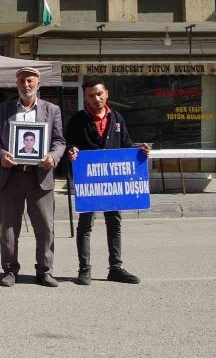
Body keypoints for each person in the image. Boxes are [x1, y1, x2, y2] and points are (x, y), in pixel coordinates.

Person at [66, 76, 150, 286]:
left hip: (113, 181)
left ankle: (116, 267)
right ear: (85, 97)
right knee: (85, 225)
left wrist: (140, 150)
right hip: (90, 182)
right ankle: (84, 269)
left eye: (99, 94)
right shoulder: (78, 120)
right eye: (91, 95)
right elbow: (69, 146)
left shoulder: (117, 118)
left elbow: (126, 144)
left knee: (114, 223)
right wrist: (72, 152)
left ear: (106, 94)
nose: (96, 98)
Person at [0, 67, 65, 288]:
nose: (26, 85)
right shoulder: (2, 110)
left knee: (45, 227)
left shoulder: (52, 110)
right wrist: (1, 155)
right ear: (17, 84)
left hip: (40, 177)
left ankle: (45, 270)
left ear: (38, 84)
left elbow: (59, 141)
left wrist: (53, 156)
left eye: (30, 81)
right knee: (9, 227)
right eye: (22, 81)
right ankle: (10, 270)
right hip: (10, 176)